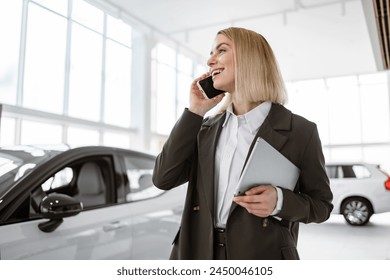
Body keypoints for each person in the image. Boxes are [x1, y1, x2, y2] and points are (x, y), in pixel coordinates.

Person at [152, 27, 333, 260]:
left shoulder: (300, 131)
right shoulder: (204, 128)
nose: (210, 60)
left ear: (250, 58)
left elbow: (321, 206)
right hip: (197, 252)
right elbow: (163, 178)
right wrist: (195, 111)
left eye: (221, 50)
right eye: (211, 53)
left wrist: (280, 201)